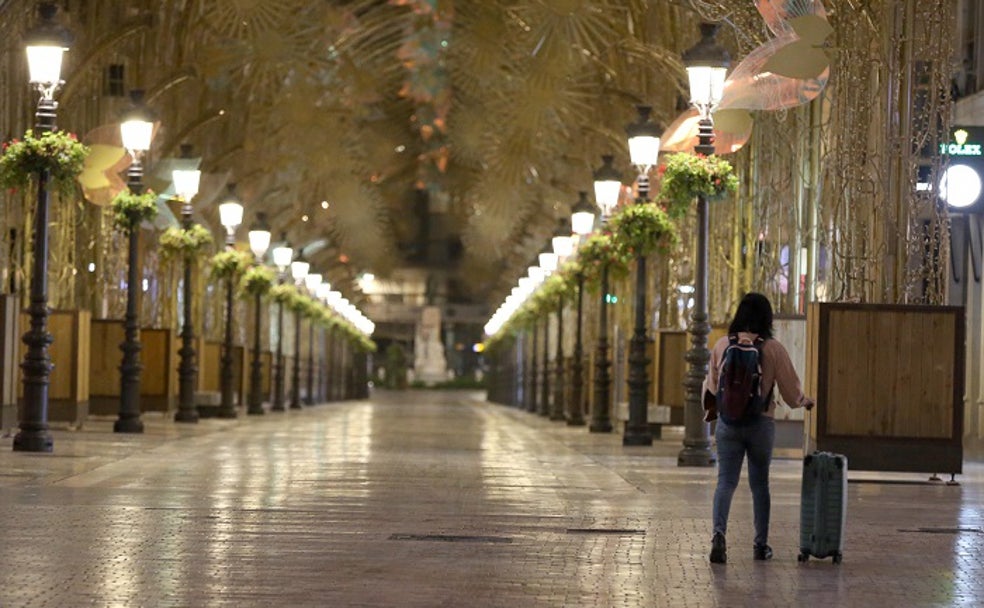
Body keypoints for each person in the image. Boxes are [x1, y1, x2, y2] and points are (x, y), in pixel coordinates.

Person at [702, 292, 814, 564]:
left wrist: (715, 415)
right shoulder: (773, 349)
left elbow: (712, 388)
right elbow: (790, 391)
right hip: (760, 424)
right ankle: (760, 545)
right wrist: (804, 401)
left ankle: (719, 536)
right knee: (760, 485)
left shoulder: (721, 346)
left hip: (728, 425)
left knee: (725, 483)